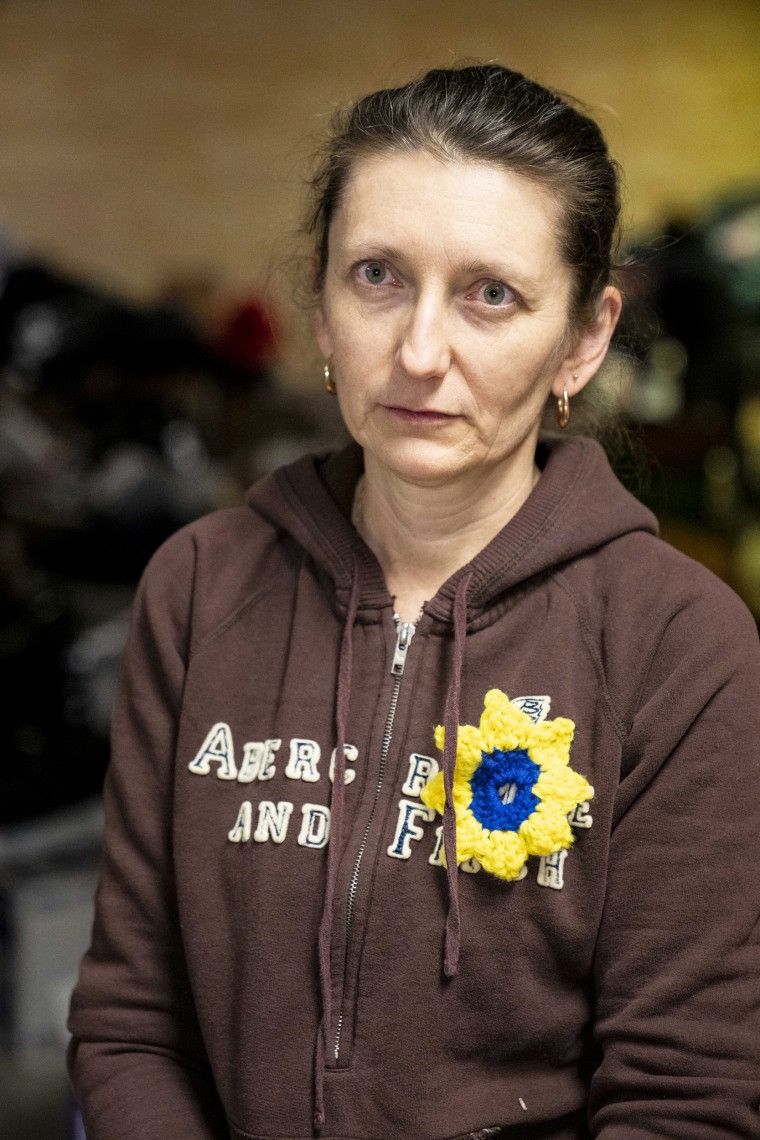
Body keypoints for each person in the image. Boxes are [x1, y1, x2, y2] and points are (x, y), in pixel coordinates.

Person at [67, 64, 760, 1140]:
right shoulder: (200, 586)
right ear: (322, 306)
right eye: (379, 276)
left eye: (491, 294)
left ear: (582, 337)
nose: (420, 351)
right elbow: (132, 1024)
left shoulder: (679, 645)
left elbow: (683, 1095)